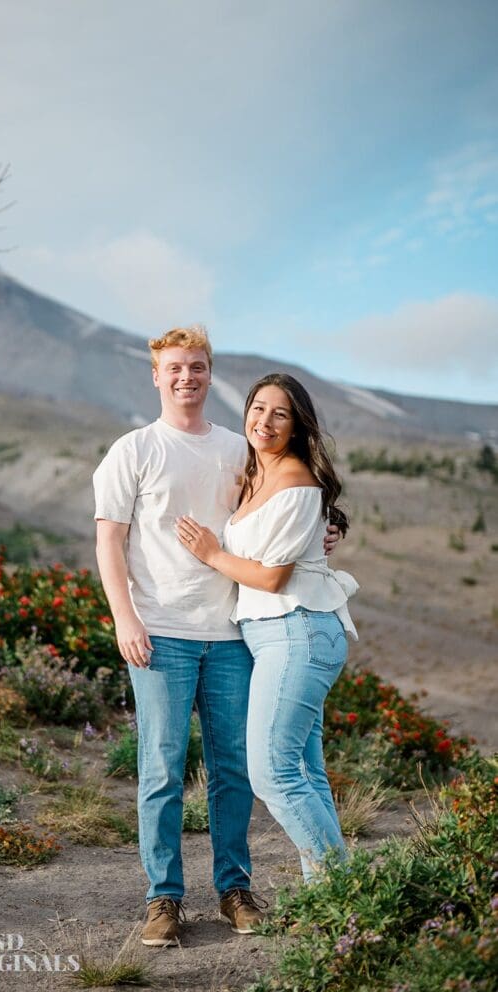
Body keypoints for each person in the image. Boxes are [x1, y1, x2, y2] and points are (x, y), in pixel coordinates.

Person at [92, 328, 339, 947]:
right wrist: (125, 619)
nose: (186, 378)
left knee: (235, 769)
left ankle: (234, 889)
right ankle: (164, 900)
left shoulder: (238, 447)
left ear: (210, 373)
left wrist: (324, 534)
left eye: (197, 367)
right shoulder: (133, 450)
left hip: (232, 635)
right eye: (174, 369)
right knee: (161, 769)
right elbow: (109, 542)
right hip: (160, 634)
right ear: (156, 375)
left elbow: (287, 500)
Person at [175, 372, 358, 882]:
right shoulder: (257, 472)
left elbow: (274, 577)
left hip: (297, 630)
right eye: (258, 408)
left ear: (298, 425)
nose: (265, 421)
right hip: (280, 635)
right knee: (306, 774)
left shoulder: (296, 481)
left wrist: (211, 553)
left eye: (280, 413)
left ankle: (344, 893)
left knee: (273, 774)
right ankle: (332, 898)